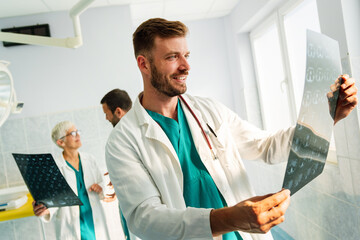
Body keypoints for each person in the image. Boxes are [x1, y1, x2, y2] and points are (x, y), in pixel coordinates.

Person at [105, 18, 358, 240]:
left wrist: (326, 118)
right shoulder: (123, 141)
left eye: (186, 56)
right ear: (144, 64)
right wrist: (230, 219)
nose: (186, 66)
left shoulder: (208, 110)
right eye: (172, 57)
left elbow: (266, 146)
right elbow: (144, 219)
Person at [32, 121, 112, 240]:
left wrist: (100, 188)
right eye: (73, 133)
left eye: (77, 132)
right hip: (69, 226)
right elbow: (53, 199)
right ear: (61, 142)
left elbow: (102, 184)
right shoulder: (54, 167)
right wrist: (45, 209)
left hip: (93, 220)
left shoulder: (89, 159)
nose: (78, 135)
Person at [101, 88, 135, 240]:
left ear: (118, 112)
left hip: (137, 203)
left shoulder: (120, 135)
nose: (107, 118)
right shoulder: (134, 130)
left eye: (106, 113)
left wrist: (121, 177)